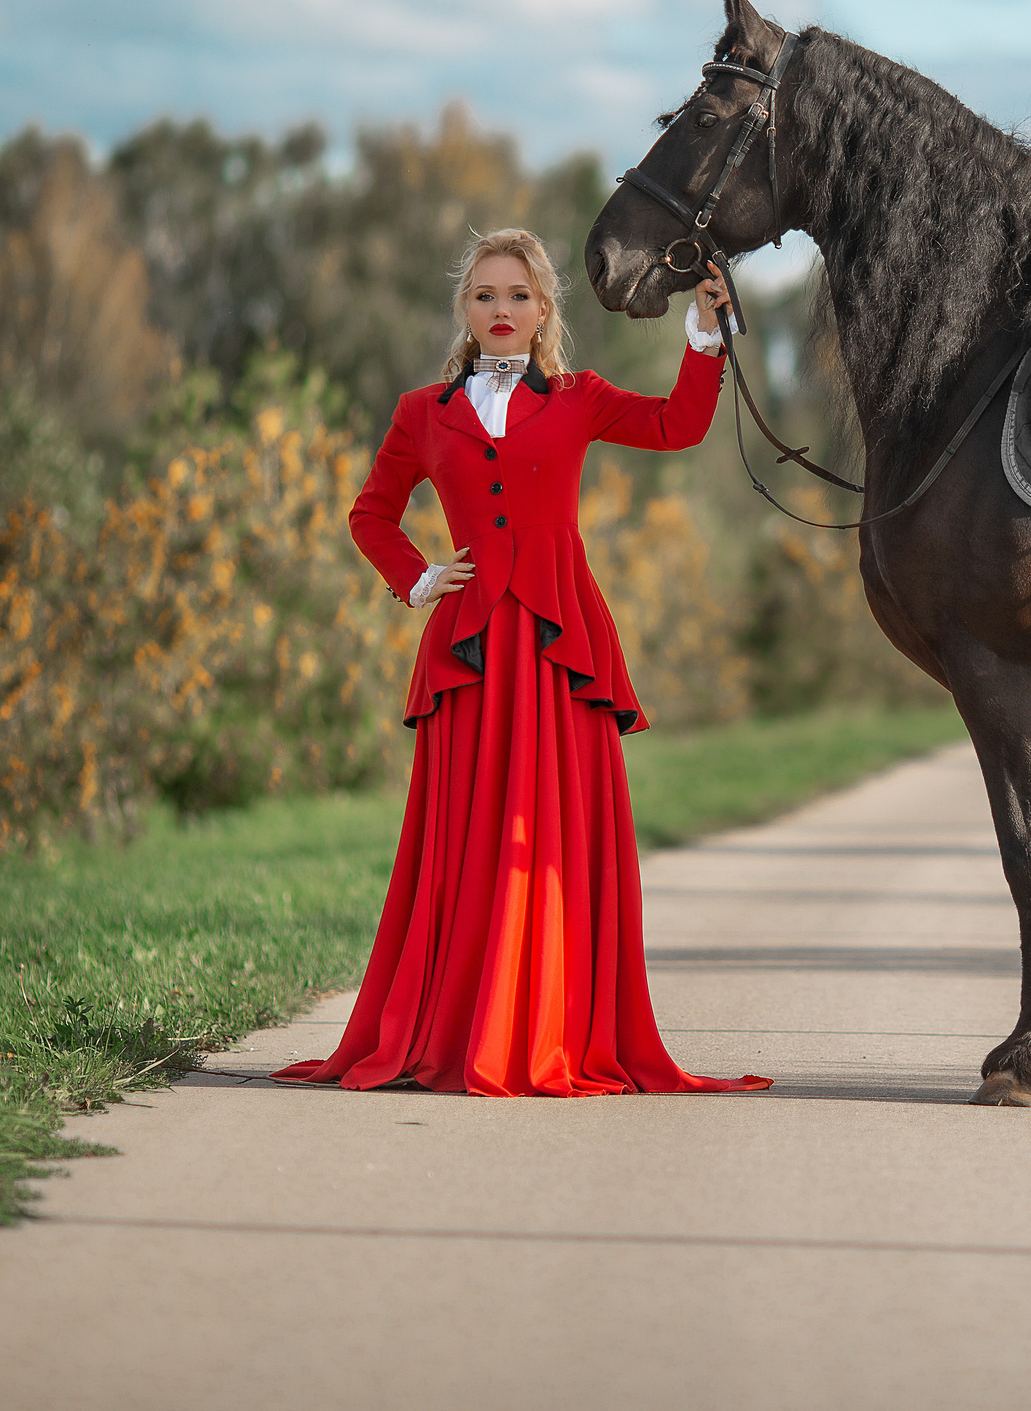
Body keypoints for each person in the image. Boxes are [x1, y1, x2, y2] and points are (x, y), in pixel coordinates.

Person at [273, 228, 768, 1097]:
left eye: (518, 296)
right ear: (465, 311)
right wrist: (421, 579)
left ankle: (547, 1023)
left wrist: (701, 331)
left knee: (550, 838)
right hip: (469, 651)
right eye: (484, 296)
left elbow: (678, 425)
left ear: (545, 311)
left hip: (557, 645)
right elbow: (371, 513)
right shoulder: (421, 412)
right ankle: (462, 1025)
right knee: (467, 840)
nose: (501, 311)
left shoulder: (580, 397)